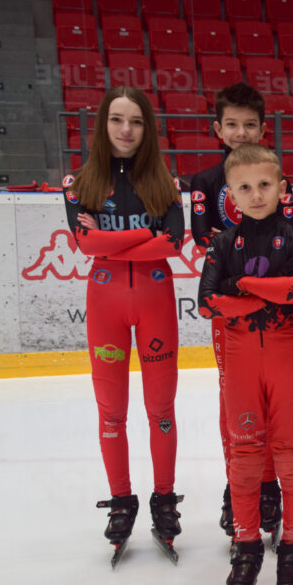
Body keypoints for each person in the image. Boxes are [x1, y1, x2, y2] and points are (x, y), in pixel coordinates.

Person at [63, 86, 185, 557]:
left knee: (161, 408)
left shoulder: (164, 182)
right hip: (106, 304)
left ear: (147, 128)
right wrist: (145, 234)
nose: (127, 130)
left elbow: (173, 243)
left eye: (136, 121)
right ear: (103, 124)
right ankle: (121, 500)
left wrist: (115, 241)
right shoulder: (81, 183)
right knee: (111, 410)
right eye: (117, 119)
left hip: (155, 301)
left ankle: (164, 499)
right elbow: (86, 246)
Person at [198, 143, 293, 585]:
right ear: (230, 194)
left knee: (290, 456)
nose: (256, 194)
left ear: (283, 188)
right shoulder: (221, 243)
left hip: (287, 363)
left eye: (265, 184)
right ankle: (246, 545)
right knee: (245, 458)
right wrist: (270, 292)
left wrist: (242, 285)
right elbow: (208, 302)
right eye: (244, 187)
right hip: (243, 365)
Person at [189, 82, 292, 540]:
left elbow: (287, 238)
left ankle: (268, 488)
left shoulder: (273, 176)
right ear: (218, 129)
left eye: (250, 124)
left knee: (272, 400)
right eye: (232, 124)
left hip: (272, 309)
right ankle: (239, 487)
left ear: (263, 128)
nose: (241, 132)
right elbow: (204, 238)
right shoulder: (205, 182)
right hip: (230, 308)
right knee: (233, 398)